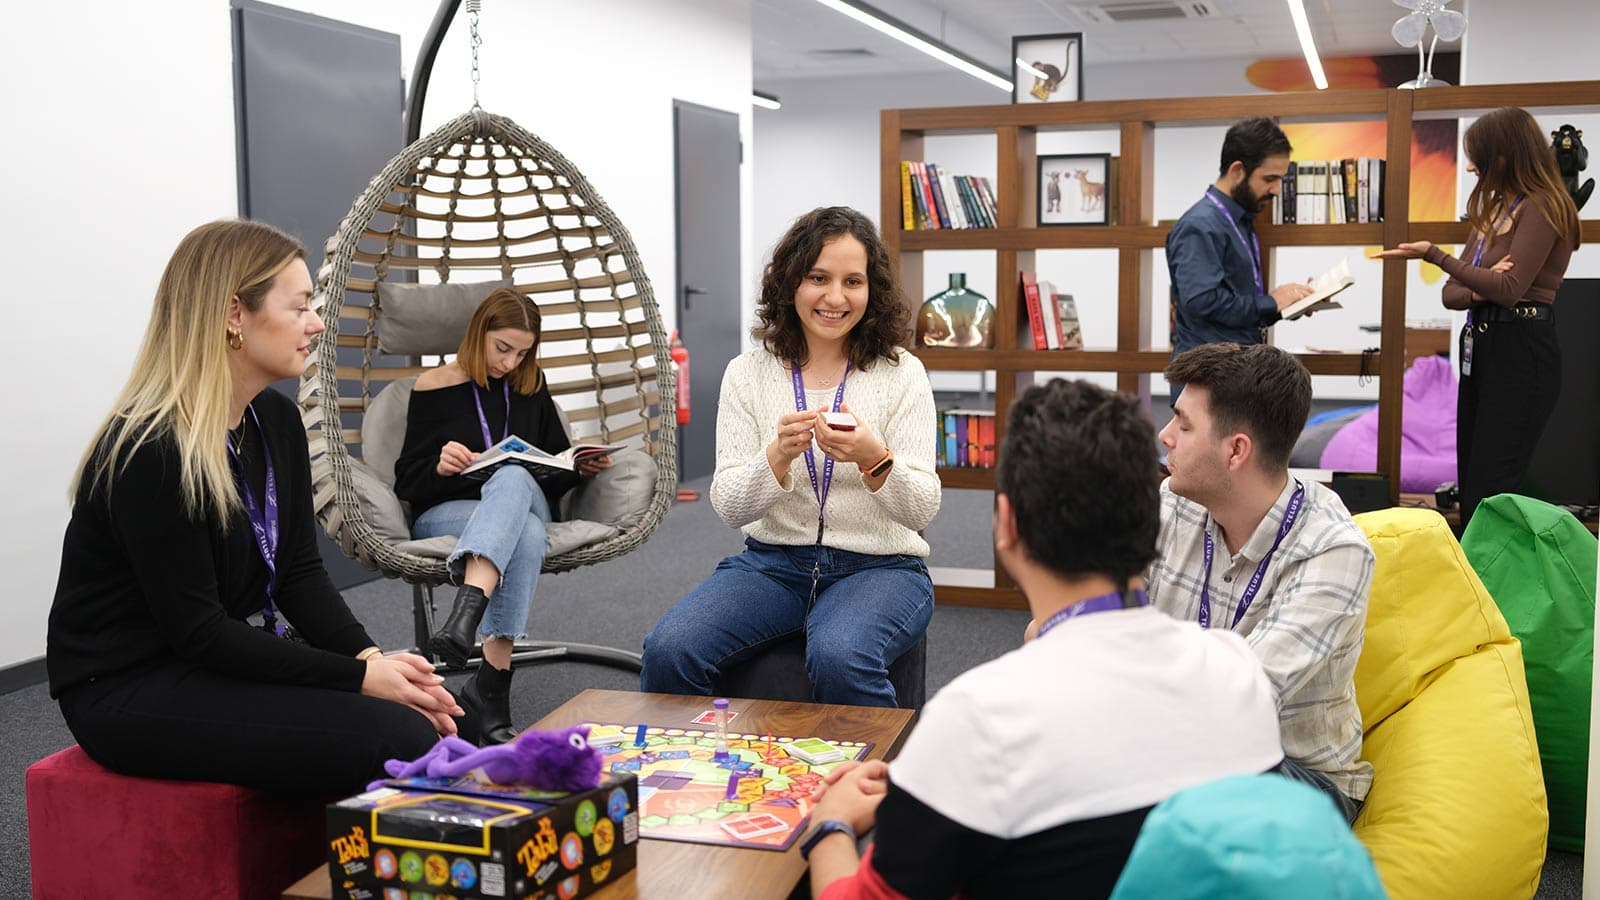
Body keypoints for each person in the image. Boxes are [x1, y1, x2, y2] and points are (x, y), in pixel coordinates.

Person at [804, 379, 1284, 899]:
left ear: (1006, 526)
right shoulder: (1239, 671)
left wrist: (829, 825)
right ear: (1152, 528)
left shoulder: (978, 716)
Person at [47, 220, 461, 795]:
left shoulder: (276, 421)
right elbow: (201, 633)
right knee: (396, 737)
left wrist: (373, 659)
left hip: (207, 658)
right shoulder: (152, 450)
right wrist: (360, 678)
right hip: (128, 685)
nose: (316, 324)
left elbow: (297, 572)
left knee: (426, 709)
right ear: (233, 314)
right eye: (299, 308)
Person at [639, 206, 939, 707]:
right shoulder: (747, 373)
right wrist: (775, 457)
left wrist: (874, 459)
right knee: (671, 649)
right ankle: (693, 781)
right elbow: (730, 507)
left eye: (853, 281)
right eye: (818, 277)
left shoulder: (901, 373)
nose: (835, 297)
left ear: (873, 292)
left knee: (840, 655)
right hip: (774, 564)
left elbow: (922, 508)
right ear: (790, 283)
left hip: (881, 570)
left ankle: (877, 786)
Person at [1146, 342, 1375, 822]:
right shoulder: (1173, 502)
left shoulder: (1333, 550)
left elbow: (1237, 701)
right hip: (1175, 737)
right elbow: (1071, 625)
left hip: (1295, 774)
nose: (1165, 435)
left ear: (1236, 451)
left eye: (1184, 425)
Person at [394, 288, 611, 744]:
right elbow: (408, 484)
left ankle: (465, 616)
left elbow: (549, 469)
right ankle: (489, 690)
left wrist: (575, 468)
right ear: (479, 334)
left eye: (523, 352)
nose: (511, 362)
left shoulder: (530, 386)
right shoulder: (433, 387)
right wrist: (438, 465)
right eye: (503, 348)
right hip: (447, 513)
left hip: (518, 500)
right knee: (526, 532)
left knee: (513, 477)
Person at [1377, 106, 1581, 527]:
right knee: (1471, 482)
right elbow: (1452, 297)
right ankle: (1473, 582)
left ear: (1503, 156)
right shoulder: (1493, 213)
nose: (1470, 166)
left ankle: (1489, 583)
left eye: (1477, 156)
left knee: (1492, 486)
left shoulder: (1543, 206)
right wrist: (1481, 281)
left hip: (1522, 351)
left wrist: (1437, 256)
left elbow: (1508, 290)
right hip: (1484, 347)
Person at [1167, 117, 1314, 361]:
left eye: (1280, 179)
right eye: (1269, 179)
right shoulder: (1200, 226)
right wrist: (1271, 302)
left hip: (1234, 368)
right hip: (1207, 374)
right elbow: (1204, 303)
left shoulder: (1240, 219)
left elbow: (1237, 309)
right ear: (1237, 171)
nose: (1277, 190)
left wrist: (1292, 302)